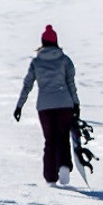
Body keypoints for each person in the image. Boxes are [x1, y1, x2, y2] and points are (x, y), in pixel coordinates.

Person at [14, 24, 80, 185]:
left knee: (50, 140)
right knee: (63, 137)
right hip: (65, 104)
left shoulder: (36, 62)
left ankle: (50, 177)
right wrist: (76, 104)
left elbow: (27, 85)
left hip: (45, 107)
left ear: (42, 42)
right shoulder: (65, 60)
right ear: (56, 41)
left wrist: (19, 106)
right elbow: (71, 84)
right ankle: (64, 167)